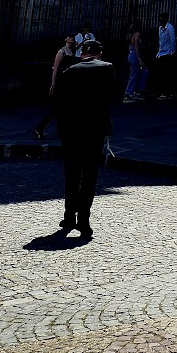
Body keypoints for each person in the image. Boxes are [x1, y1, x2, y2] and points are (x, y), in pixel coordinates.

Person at [54, 38, 119, 238]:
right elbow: (114, 97)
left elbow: (59, 102)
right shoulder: (107, 68)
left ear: (82, 54)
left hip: (71, 131)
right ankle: (84, 219)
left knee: (71, 173)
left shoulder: (70, 71)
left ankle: (69, 215)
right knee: (90, 174)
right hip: (95, 130)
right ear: (99, 54)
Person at [34, 34, 76, 139]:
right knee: (55, 108)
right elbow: (55, 68)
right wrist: (53, 84)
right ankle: (39, 128)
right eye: (69, 37)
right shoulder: (61, 52)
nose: (72, 39)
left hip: (68, 82)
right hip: (60, 82)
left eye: (73, 37)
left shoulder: (72, 52)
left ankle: (63, 130)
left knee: (65, 107)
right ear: (65, 39)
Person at [153, 11, 176, 98]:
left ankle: (167, 92)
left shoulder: (170, 28)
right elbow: (160, 41)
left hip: (168, 54)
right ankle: (162, 92)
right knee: (161, 74)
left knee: (167, 75)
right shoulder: (160, 28)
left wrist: (172, 53)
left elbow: (172, 41)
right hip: (161, 53)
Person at [123, 23, 148, 102]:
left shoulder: (131, 36)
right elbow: (136, 48)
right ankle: (128, 93)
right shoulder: (137, 35)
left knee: (140, 73)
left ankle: (136, 92)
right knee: (135, 74)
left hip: (131, 55)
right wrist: (139, 59)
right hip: (134, 55)